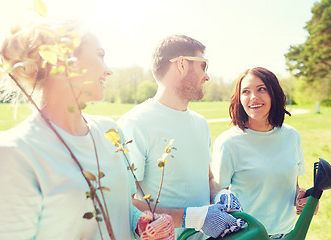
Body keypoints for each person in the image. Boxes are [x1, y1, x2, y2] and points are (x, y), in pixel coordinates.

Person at [0, 19, 175, 240]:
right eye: (100, 55)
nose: (109, 71)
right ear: (65, 60)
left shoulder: (110, 132)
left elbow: (120, 210)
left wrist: (140, 224)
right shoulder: (14, 152)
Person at [118, 35, 244, 240]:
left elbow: (208, 178)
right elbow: (124, 203)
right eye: (203, 66)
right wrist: (192, 218)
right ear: (182, 64)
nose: (207, 76)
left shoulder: (200, 123)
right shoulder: (135, 123)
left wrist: (220, 194)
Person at [211, 67, 316, 239]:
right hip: (248, 235)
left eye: (261, 89)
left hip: (289, 233)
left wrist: (302, 200)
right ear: (239, 98)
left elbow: (293, 185)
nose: (253, 97)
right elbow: (217, 197)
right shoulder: (228, 142)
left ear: (273, 93)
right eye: (246, 91)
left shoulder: (292, 136)